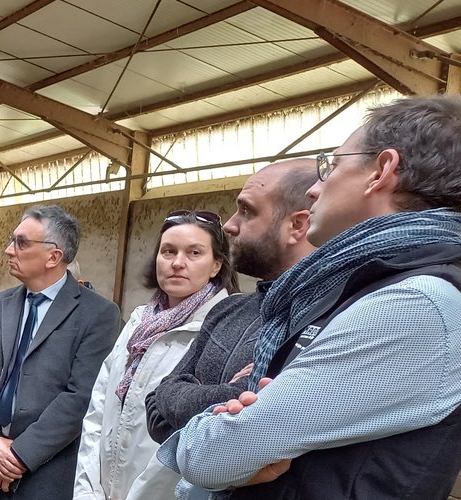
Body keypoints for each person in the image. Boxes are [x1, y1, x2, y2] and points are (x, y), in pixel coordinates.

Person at [158, 96, 461, 499]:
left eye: (330, 166)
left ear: (381, 171)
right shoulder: (350, 289)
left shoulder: (416, 305)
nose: (315, 189)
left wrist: (222, 433)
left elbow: (213, 456)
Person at [145, 160, 318, 446]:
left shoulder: (321, 318)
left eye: (247, 211)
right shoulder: (229, 310)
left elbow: (252, 428)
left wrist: (184, 395)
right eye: (168, 252)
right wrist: (226, 392)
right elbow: (155, 413)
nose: (229, 225)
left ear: (297, 225)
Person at [0, 205, 121, 499]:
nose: (8, 250)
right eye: (12, 240)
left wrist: (18, 456)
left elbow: (80, 397)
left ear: (53, 256)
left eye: (21, 243)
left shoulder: (98, 314)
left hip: (45, 474)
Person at [74, 210, 237, 500]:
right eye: (168, 251)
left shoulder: (224, 333)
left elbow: (193, 438)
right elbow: (99, 407)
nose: (177, 263)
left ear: (216, 265)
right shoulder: (139, 323)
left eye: (194, 253)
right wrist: (88, 490)